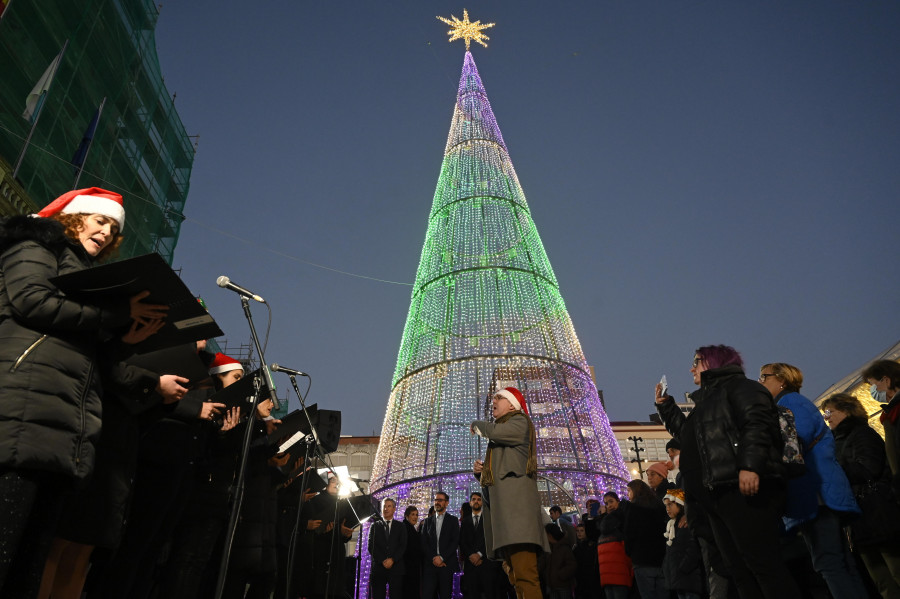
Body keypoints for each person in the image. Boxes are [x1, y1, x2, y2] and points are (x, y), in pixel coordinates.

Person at [0, 188, 167, 598]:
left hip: (65, 427)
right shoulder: (37, 245)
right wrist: (117, 314)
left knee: (30, 560)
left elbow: (95, 358)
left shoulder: (87, 278)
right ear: (75, 218)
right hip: (23, 404)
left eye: (113, 228)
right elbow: (31, 301)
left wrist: (128, 337)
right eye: (100, 220)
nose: (107, 232)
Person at [654, 344, 800, 599]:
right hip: (715, 496)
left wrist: (750, 466)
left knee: (762, 565)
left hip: (740, 489)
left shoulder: (742, 388)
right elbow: (691, 437)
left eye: (697, 362)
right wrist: (666, 406)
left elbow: (756, 425)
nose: (691, 368)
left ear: (714, 363)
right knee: (738, 569)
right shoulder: (707, 402)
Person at [758, 363, 866, 598]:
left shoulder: (790, 403)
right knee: (842, 564)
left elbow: (795, 442)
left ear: (782, 380)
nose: (760, 382)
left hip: (816, 495)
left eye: (764, 377)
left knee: (829, 563)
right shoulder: (794, 402)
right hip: (821, 493)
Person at [471, 387, 549, 599]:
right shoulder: (503, 436)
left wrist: (477, 425)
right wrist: (482, 473)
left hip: (518, 519)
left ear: (513, 404)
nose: (493, 400)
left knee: (526, 576)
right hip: (507, 520)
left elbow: (495, 432)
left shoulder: (519, 422)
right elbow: (499, 476)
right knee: (515, 576)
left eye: (499, 397)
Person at [822, 392, 900, 597]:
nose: (826, 417)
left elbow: (869, 469)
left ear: (846, 410)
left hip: (877, 512)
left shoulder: (862, 434)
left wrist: (833, 470)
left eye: (829, 411)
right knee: (881, 580)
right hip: (860, 518)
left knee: (895, 569)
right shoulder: (837, 441)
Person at [623, 479, 668, 599]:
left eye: (629, 490)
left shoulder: (633, 509)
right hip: (660, 559)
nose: (628, 494)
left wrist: (630, 552)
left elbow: (629, 533)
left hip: (642, 560)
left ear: (635, 491)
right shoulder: (659, 506)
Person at [863, 360, 900, 495]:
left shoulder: (895, 411)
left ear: (886, 381)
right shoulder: (890, 412)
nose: (872, 391)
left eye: (873, 385)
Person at [661, 489, 704, 599]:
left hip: (688, 579)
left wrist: (683, 568)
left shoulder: (685, 524)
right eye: (666, 506)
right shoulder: (671, 525)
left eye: (670, 504)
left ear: (680, 504)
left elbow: (693, 550)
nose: (667, 509)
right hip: (678, 579)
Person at [419, 491, 459, 599]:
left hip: (446, 566)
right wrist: (434, 558)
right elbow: (424, 543)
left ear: (446, 503)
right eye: (436, 500)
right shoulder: (427, 521)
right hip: (430, 567)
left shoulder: (453, 520)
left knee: (445, 595)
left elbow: (454, 542)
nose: (437, 502)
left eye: (440, 500)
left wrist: (441, 558)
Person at [369, 497, 407, 599]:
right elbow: (371, 546)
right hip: (379, 569)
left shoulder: (401, 526)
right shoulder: (374, 526)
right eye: (384, 506)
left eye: (389, 506)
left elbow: (403, 545)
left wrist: (392, 559)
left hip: (396, 569)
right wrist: (382, 560)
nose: (386, 509)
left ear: (394, 509)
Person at [596, 491, 632, 599]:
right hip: (610, 573)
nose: (609, 506)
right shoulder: (606, 521)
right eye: (606, 503)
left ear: (618, 501)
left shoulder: (623, 517)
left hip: (618, 572)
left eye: (611, 501)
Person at [459, 491, 494, 599]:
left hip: (485, 563)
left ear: (482, 502)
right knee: (472, 594)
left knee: (489, 593)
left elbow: (490, 539)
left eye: (479, 499)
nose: (476, 501)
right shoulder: (464, 522)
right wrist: (471, 555)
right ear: (470, 503)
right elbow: (462, 541)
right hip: (470, 565)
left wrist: (479, 554)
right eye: (474, 499)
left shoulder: (489, 520)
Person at [542, 523, 577, 599]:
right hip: (552, 586)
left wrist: (560, 575)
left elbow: (571, 565)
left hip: (563, 586)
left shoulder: (564, 547)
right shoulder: (549, 548)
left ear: (550, 535)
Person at [572, 524, 600, 599]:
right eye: (577, 531)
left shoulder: (592, 545)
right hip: (580, 579)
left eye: (581, 531)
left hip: (590, 578)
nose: (579, 533)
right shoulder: (576, 547)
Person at [401, 506, 423, 599]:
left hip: (411, 568)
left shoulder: (411, 528)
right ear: (407, 516)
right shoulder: (405, 528)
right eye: (412, 514)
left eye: (417, 515)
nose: (415, 517)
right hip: (408, 569)